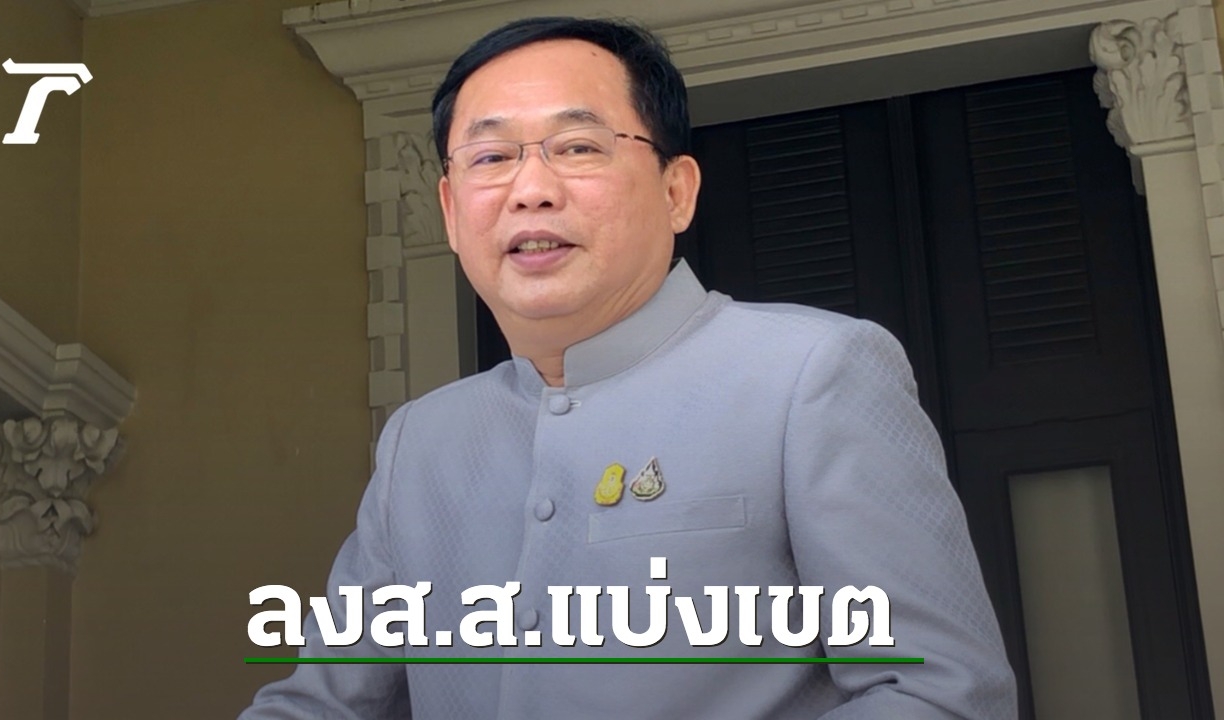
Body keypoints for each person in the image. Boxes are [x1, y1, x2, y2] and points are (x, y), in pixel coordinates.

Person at [241, 16, 1016, 719]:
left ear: (677, 191)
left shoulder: (808, 374)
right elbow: (320, 704)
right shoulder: (422, 443)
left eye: (578, 147)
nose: (531, 190)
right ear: (449, 211)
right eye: (491, 157)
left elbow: (940, 693)